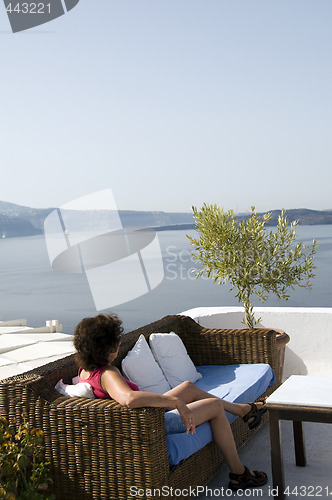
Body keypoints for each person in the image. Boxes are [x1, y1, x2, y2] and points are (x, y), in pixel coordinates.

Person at [73, 313, 268, 491]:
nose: (118, 344)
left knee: (188, 387)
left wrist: (172, 399)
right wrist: (174, 402)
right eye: (115, 341)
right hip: (155, 423)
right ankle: (239, 473)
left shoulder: (85, 370)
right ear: (106, 348)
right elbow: (129, 398)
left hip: (147, 415)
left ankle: (244, 411)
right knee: (215, 406)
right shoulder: (107, 374)